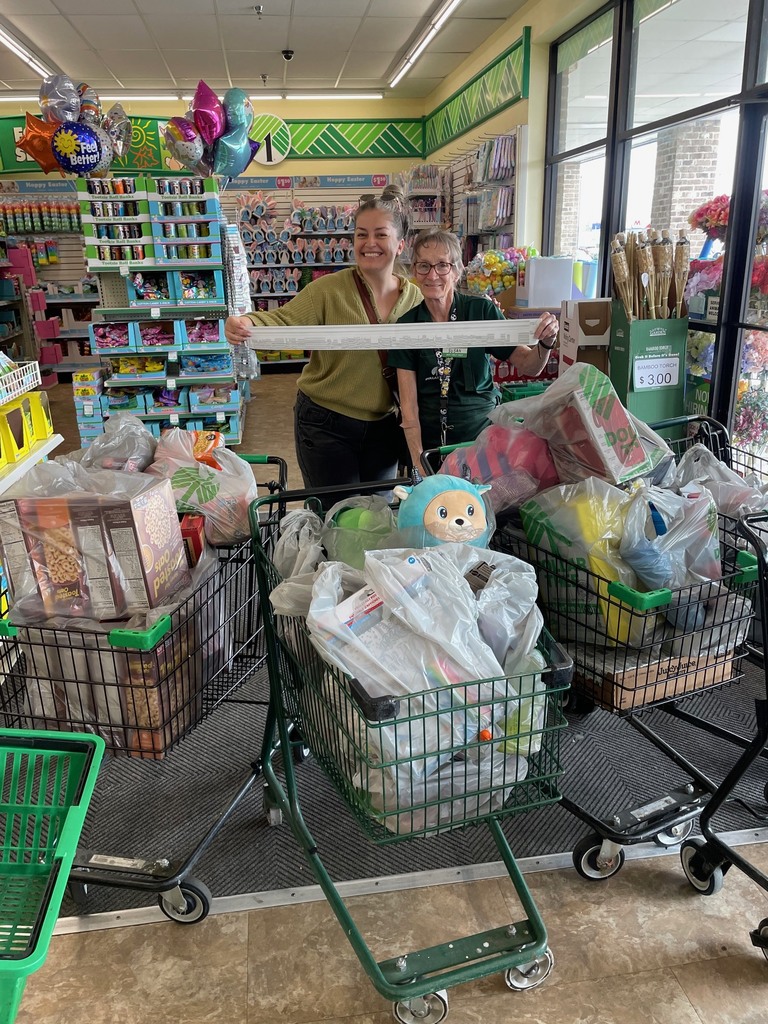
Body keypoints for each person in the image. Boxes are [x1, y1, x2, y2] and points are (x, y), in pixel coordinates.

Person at [225, 186, 422, 491]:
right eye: (361, 234)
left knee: (378, 518)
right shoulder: (328, 289)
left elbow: (448, 328)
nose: (370, 243)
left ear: (400, 244)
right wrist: (245, 323)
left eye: (381, 234)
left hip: (385, 427)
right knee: (335, 518)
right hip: (326, 425)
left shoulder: (415, 298)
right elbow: (283, 320)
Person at [387, 228, 559, 469]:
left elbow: (530, 365)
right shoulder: (407, 326)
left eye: (442, 265)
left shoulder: (481, 312)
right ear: (414, 271)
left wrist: (546, 341)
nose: (432, 274)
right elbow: (409, 410)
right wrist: (420, 466)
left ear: (457, 271)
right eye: (423, 266)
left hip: (482, 441)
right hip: (431, 447)